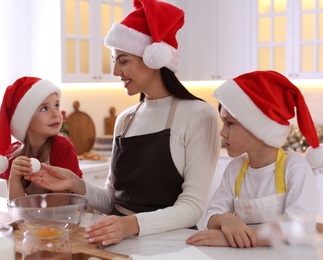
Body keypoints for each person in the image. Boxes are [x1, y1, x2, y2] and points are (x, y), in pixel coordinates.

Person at [28, 0, 221, 247]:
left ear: (153, 58)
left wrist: (129, 225)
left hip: (169, 245)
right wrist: (76, 184)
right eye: (115, 60)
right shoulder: (126, 119)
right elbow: (112, 199)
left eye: (123, 60)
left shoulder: (198, 115)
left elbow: (192, 207)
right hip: (117, 238)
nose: (115, 71)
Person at [186, 70, 323, 248]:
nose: (222, 132)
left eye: (230, 123)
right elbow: (211, 216)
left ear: (258, 127)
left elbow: (296, 229)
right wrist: (226, 219)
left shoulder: (295, 167)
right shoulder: (235, 169)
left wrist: (230, 238)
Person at [0, 76, 83, 200]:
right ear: (25, 121)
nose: (55, 114)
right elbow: (16, 207)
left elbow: (60, 208)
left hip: (69, 216)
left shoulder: (62, 148)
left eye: (56, 105)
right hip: (35, 218)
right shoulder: (12, 155)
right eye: (44, 108)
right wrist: (14, 178)